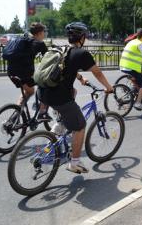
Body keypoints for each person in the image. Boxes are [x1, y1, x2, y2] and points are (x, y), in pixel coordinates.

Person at [39, 22, 114, 174]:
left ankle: (58, 126)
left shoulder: (61, 49)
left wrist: (79, 77)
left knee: (73, 92)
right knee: (80, 126)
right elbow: (97, 73)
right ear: (83, 37)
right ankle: (74, 163)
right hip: (59, 98)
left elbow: (62, 68)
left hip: (43, 93)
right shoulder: (82, 53)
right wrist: (108, 87)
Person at [6, 22, 49, 119]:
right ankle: (42, 112)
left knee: (29, 91)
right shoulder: (40, 43)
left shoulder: (23, 39)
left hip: (11, 72)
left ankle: (15, 115)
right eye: (44, 32)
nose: (44, 34)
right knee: (46, 84)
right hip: (24, 73)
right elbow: (48, 59)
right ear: (39, 33)